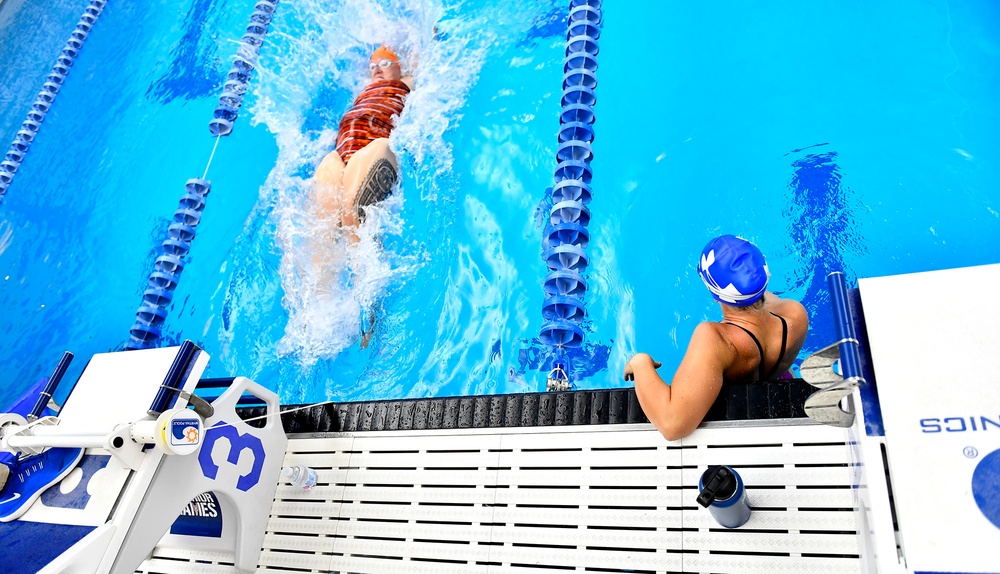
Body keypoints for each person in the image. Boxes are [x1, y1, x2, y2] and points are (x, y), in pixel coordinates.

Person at [623, 235, 808, 441]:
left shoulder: (716, 341)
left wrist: (640, 364)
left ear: (715, 295)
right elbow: (762, 300)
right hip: (782, 379)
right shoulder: (795, 314)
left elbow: (672, 425)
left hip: (737, 414)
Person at [311, 45, 414, 239]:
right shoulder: (364, 89)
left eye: (385, 63)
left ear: (400, 67)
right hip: (340, 155)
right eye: (373, 66)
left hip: (375, 146)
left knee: (352, 212)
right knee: (321, 233)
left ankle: (365, 267)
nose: (377, 69)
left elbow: (425, 64)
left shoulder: (406, 83)